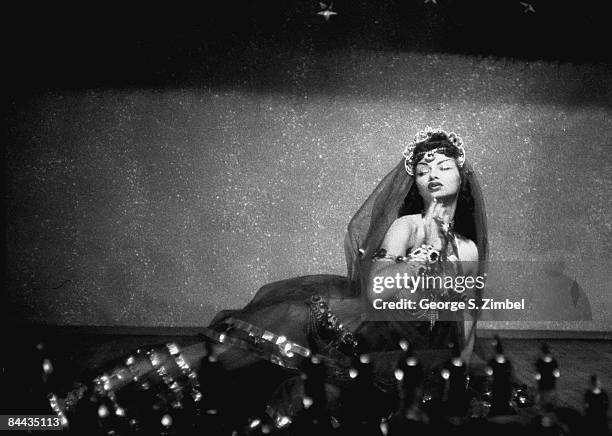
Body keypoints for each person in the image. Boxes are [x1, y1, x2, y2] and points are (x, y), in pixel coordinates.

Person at [48, 127, 488, 432]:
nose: (433, 173)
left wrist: (461, 370)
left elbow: (466, 313)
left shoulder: (467, 249)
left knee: (295, 394)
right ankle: (91, 398)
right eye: (424, 167)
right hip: (352, 327)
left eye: (443, 165)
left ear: (459, 174)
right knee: (231, 357)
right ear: (414, 180)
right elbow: (377, 291)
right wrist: (422, 254)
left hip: (402, 348)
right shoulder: (407, 226)